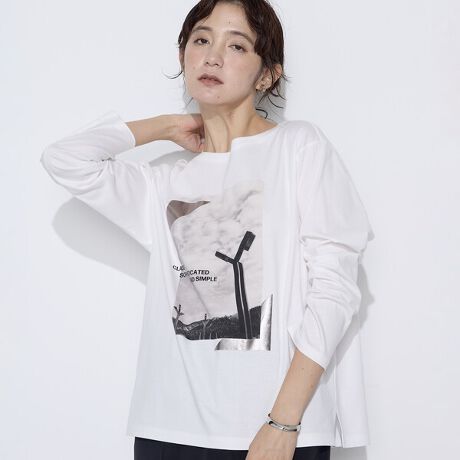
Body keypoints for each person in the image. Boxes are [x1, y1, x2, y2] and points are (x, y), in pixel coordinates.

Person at [40, 1, 374, 459]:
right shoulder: (165, 182)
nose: (212, 56)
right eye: (201, 40)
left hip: (274, 430)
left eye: (236, 46)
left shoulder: (298, 147)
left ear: (267, 75)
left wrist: (283, 420)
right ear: (183, 56)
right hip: (168, 429)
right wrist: (167, 126)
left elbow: (335, 288)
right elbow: (64, 160)